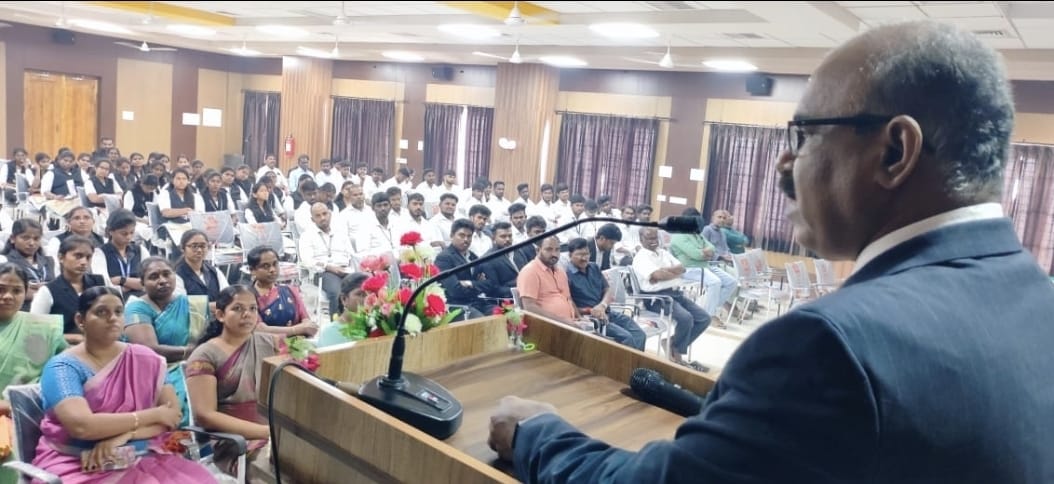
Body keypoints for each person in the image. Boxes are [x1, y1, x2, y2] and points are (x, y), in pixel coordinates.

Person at [488, 21, 1054, 483]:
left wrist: (539, 434)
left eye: (804, 135)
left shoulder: (825, 345)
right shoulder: (1035, 298)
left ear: (894, 152)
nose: (784, 164)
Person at [31, 287, 215, 483]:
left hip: (140, 455)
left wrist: (127, 435)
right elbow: (82, 426)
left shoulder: (145, 358)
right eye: (102, 312)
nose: (112, 318)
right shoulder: (63, 367)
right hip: (76, 461)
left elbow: (172, 417)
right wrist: (153, 414)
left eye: (118, 311)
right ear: (80, 320)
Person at [186, 285, 282, 473]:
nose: (247, 314)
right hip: (234, 442)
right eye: (238, 308)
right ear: (220, 315)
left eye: (253, 308)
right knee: (283, 469)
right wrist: (267, 432)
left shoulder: (270, 344)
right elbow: (205, 415)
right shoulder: (205, 355)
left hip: (275, 432)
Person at [0, 263, 67, 484]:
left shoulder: (40, 328)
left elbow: (65, 369)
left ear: (26, 293)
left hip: (27, 416)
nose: (8, 296)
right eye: (1, 289)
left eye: (16, 290)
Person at [124, 257, 209, 427]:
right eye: (154, 276)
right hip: (155, 371)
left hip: (194, 364)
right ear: (142, 283)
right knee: (182, 401)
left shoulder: (191, 304)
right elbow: (148, 350)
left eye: (166, 274)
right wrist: (191, 352)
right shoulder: (136, 307)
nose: (162, 280)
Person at [632, 227, 711, 369]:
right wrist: (671, 273)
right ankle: (677, 351)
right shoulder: (641, 257)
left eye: (655, 237)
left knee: (704, 318)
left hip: (675, 293)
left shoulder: (663, 252)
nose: (654, 241)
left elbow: (682, 268)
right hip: (657, 298)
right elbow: (658, 275)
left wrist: (665, 272)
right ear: (641, 240)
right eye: (649, 238)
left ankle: (672, 343)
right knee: (686, 318)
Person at [565, 238, 646, 350]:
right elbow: (568, 302)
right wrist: (590, 310)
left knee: (640, 334)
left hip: (607, 311)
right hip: (591, 318)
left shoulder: (593, 267)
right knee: (626, 338)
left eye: (587, 254)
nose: (584, 258)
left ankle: (636, 361)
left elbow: (607, 289)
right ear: (570, 255)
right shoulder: (566, 275)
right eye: (579, 254)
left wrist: (602, 305)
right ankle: (625, 361)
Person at [30, 236, 106, 344]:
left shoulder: (100, 283)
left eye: (88, 257)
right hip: (64, 348)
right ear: (61, 257)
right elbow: (35, 331)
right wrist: (74, 338)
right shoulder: (48, 291)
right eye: (78, 256)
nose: (84, 262)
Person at [247, 246, 317, 337]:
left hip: (297, 342)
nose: (272, 270)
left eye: (275, 264)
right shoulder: (248, 297)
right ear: (252, 270)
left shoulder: (290, 290)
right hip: (266, 344)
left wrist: (306, 327)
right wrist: (297, 329)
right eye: (266, 266)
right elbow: (259, 330)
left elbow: (306, 321)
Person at [93, 209, 147, 300]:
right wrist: (132, 285)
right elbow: (104, 284)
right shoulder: (99, 253)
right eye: (124, 234)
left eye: (132, 232)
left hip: (142, 299)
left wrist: (120, 280)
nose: (129, 237)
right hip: (113, 300)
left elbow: (147, 281)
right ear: (111, 231)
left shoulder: (141, 250)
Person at [1, 219, 54, 310]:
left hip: (48, 313)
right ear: (13, 239)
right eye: (25, 238)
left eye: (36, 239)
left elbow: (59, 289)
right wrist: (46, 292)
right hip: (19, 312)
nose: (31, 243)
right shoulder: (4, 261)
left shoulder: (49, 261)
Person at [174, 230, 229, 305]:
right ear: (182, 248)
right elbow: (182, 305)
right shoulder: (177, 275)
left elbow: (227, 296)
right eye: (194, 246)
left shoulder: (214, 272)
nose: (199, 250)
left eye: (203, 246)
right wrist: (213, 306)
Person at [316, 272, 369, 347]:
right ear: (344, 299)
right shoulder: (331, 333)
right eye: (360, 294)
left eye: (371, 294)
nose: (368, 299)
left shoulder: (375, 326)